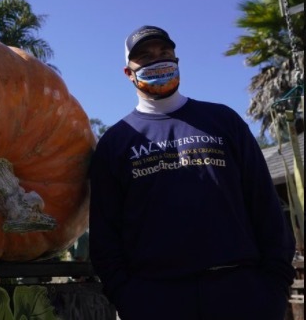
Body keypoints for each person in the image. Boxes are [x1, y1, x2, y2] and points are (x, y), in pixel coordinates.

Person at [88, 25, 295, 320]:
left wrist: (274, 285)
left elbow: (265, 203)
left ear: (177, 61)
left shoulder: (223, 121)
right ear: (128, 73)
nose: (157, 62)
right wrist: (128, 296)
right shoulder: (115, 143)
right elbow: (105, 233)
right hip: (156, 300)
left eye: (164, 54)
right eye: (145, 57)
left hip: (243, 295)